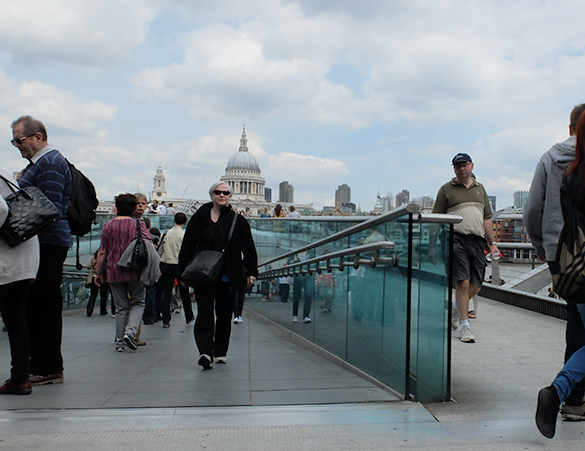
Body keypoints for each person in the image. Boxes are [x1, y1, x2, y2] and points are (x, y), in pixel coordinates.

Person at [525, 103, 585, 415]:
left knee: (577, 323)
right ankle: (566, 394)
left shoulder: (551, 158)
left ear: (570, 128)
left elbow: (533, 207)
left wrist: (539, 244)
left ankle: (572, 398)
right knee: (579, 325)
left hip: (559, 255)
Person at [12, 115, 72, 386]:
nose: (17, 145)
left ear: (38, 136)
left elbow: (50, 211)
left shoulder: (48, 164)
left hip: (46, 244)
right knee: (40, 305)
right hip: (47, 243)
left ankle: (47, 366)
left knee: (42, 306)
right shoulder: (45, 163)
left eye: (19, 140)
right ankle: (45, 365)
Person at [178, 182, 258, 369]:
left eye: (226, 193)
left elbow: (249, 248)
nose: (222, 195)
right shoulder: (199, 218)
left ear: (230, 196)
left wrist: (252, 272)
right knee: (205, 311)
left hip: (228, 273)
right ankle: (205, 352)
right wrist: (182, 271)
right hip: (203, 273)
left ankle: (220, 351)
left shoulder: (238, 221)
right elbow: (187, 246)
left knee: (224, 314)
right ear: (211, 194)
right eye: (218, 192)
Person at [429, 153, 499, 343]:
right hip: (455, 239)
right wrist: (433, 246)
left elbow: (486, 218)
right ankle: (465, 327)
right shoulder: (446, 190)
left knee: (476, 284)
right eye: (458, 166)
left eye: (465, 165)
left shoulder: (480, 189)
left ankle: (454, 308)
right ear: (454, 169)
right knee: (463, 282)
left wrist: (493, 243)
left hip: (477, 241)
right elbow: (435, 220)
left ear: (472, 166)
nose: (462, 169)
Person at [94, 193, 153, 352]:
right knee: (138, 302)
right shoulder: (138, 224)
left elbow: (102, 252)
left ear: (116, 208)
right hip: (135, 270)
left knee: (121, 308)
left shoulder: (107, 226)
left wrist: (97, 272)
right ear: (134, 207)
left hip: (114, 271)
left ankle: (120, 343)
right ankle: (130, 332)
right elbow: (149, 245)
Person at [0, 167, 40, 395]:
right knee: (15, 316)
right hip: (25, 254)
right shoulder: (3, 172)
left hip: (7, 256)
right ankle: (21, 377)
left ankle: (20, 378)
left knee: (14, 315)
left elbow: (1, 208)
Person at [158, 212, 194, 327]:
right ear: (185, 221)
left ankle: (166, 319)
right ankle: (188, 316)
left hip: (166, 264)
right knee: (184, 291)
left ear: (174, 220)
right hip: (179, 265)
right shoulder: (184, 235)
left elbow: (160, 250)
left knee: (167, 292)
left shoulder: (166, 233)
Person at [290, 250, 315, 323]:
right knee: (296, 296)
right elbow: (289, 263)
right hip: (298, 277)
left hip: (308, 277)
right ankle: (295, 315)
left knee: (308, 295)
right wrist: (295, 261)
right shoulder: (294, 254)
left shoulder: (311, 254)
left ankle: (306, 316)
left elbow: (314, 264)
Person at [85, 251, 112, 317]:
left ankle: (89, 310)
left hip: (93, 277)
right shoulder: (106, 258)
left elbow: (88, 266)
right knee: (103, 295)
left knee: (93, 295)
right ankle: (103, 310)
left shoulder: (93, 257)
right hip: (103, 278)